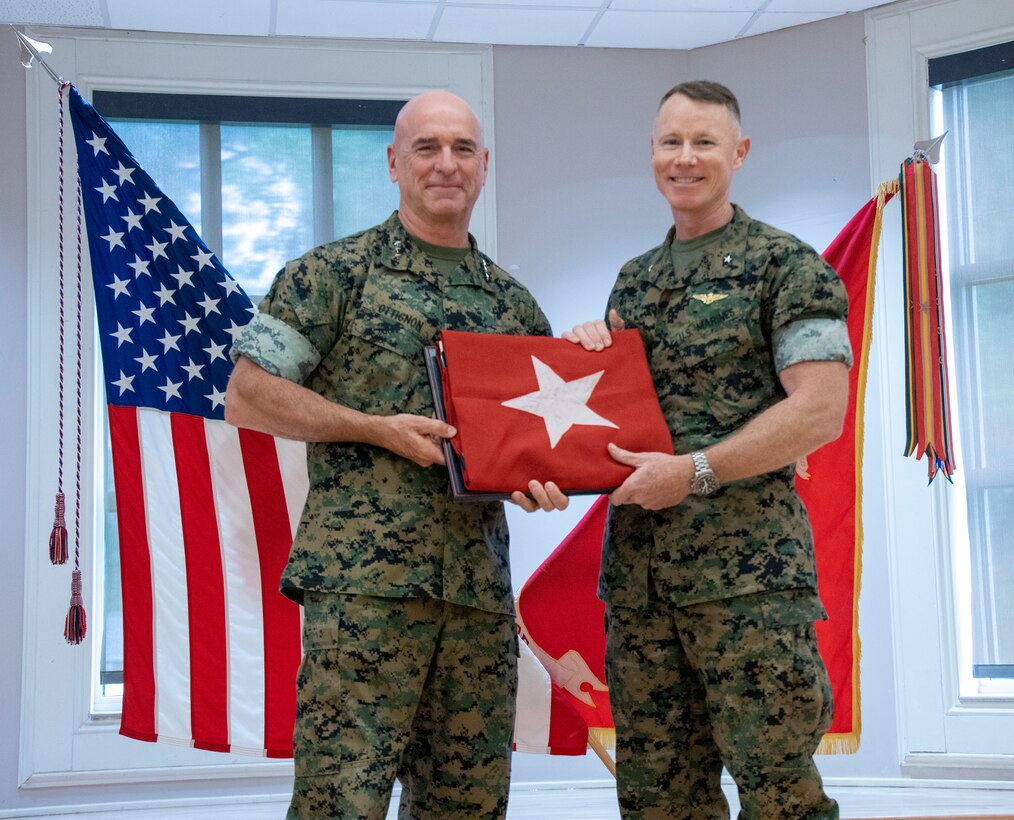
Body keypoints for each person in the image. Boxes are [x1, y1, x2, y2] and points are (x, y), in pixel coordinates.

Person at [226, 90, 567, 820]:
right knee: (338, 805)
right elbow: (248, 396)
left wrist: (533, 483)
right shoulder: (332, 276)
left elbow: (527, 446)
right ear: (393, 162)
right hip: (364, 595)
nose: (446, 164)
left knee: (467, 807)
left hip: (476, 599)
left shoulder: (512, 306)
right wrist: (375, 427)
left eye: (462, 149)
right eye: (426, 147)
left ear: (484, 167)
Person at [565, 81, 851, 819]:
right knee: (658, 800)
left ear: (739, 152)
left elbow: (820, 410)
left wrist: (696, 472)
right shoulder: (637, 281)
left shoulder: (786, 267)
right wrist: (582, 362)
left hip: (747, 582)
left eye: (703, 143)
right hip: (641, 585)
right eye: (670, 142)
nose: (684, 158)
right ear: (652, 153)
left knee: (779, 794)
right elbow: (614, 427)